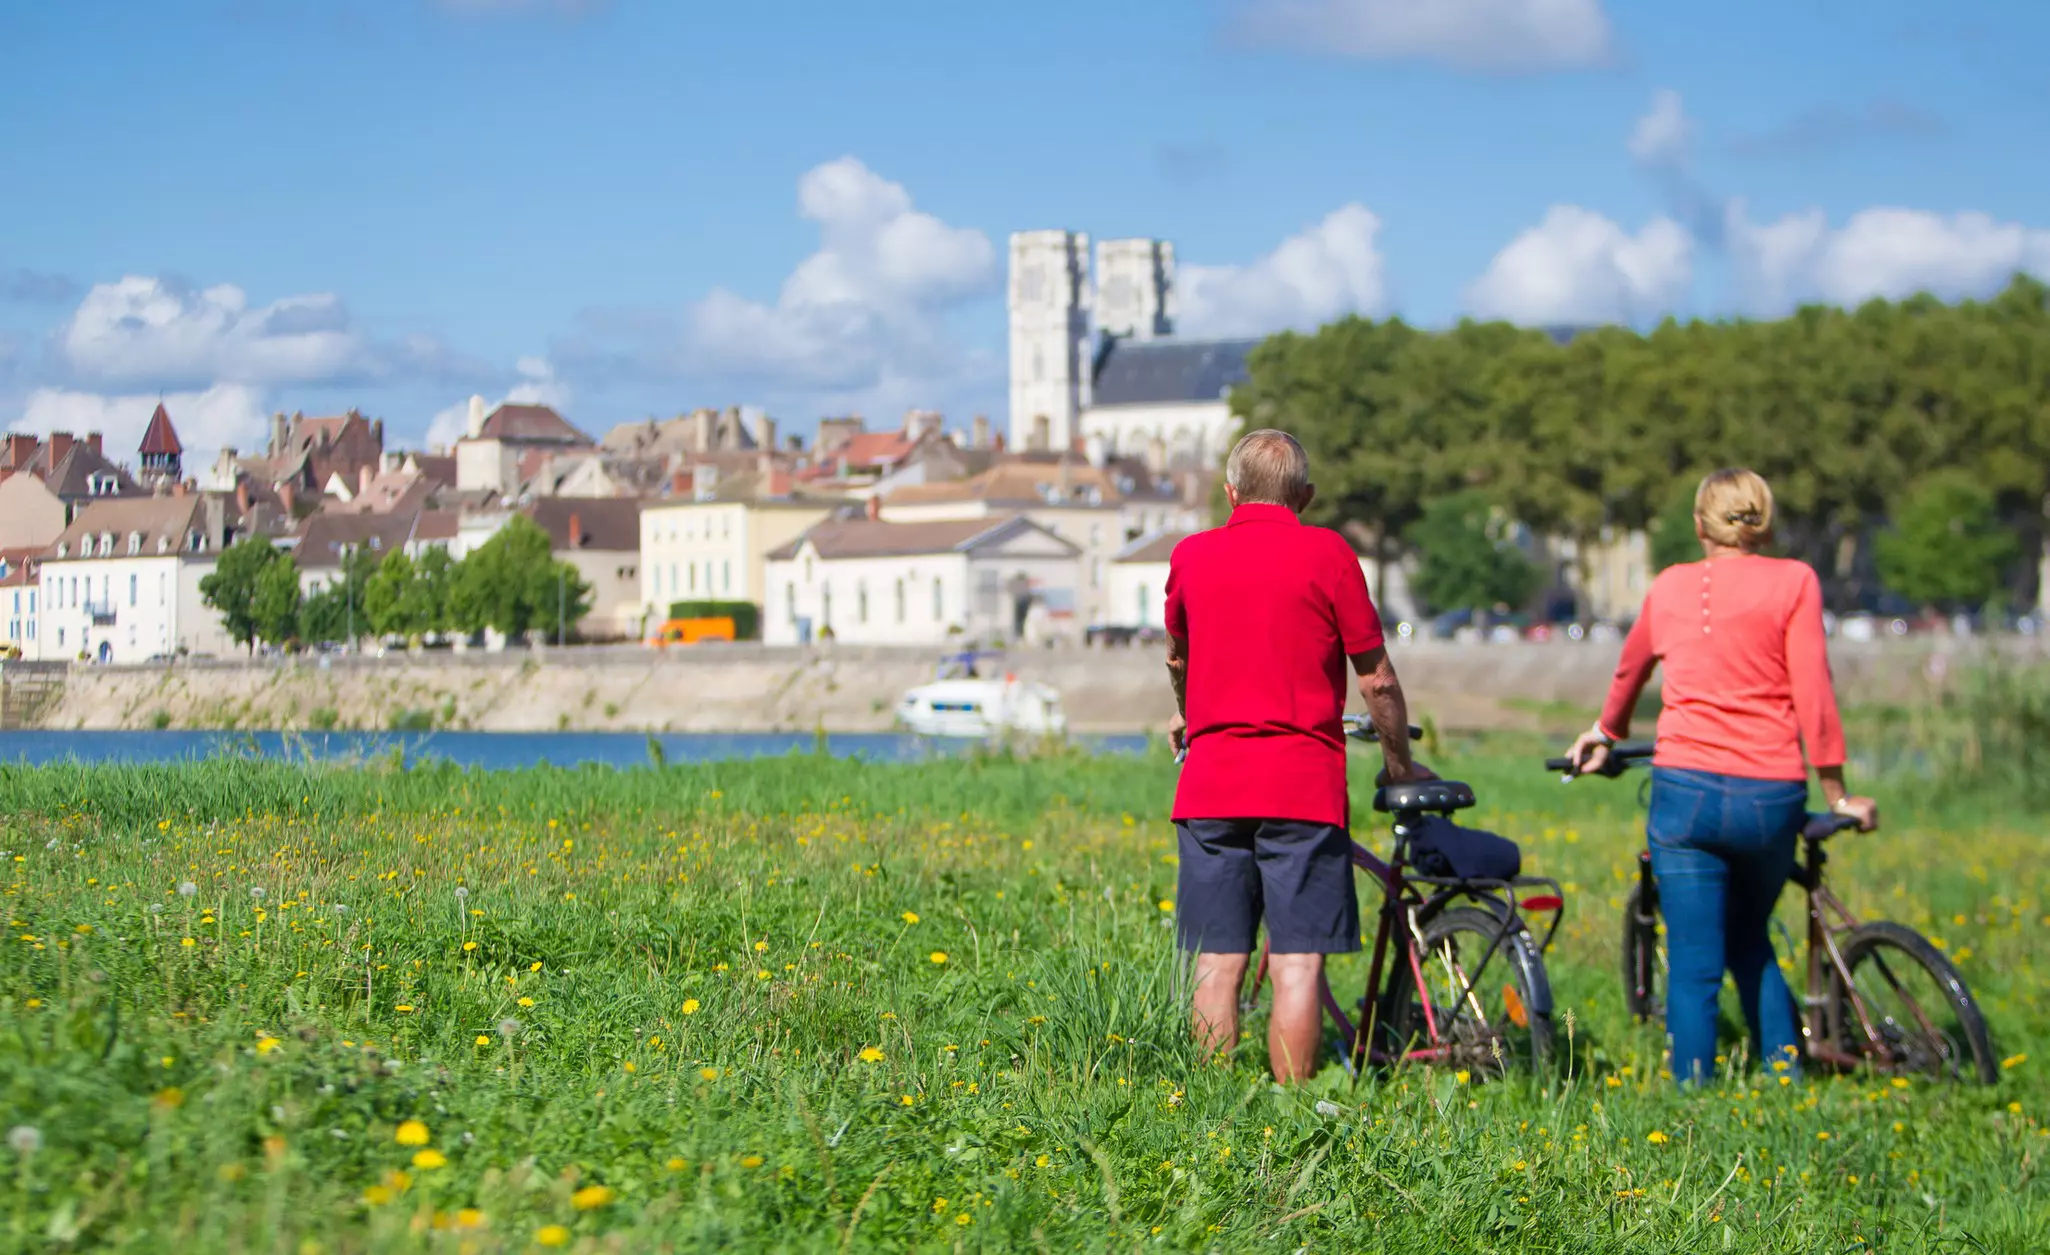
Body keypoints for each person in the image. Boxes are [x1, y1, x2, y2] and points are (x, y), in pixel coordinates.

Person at [1566, 468, 1879, 1086]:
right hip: (1771, 794)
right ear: (1763, 519)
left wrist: (1606, 734)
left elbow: (1630, 674)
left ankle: (1693, 1103)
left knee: (1693, 962)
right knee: (1749, 935)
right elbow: (1813, 693)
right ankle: (1786, 1079)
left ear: (1698, 525)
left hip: (1686, 794)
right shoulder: (1796, 581)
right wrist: (1837, 793)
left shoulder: (1670, 586)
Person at [1164, 429, 1423, 1083]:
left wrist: (1191, 714)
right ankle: (1297, 1113)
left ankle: (1211, 1116)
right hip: (1301, 788)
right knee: (1298, 961)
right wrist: (1399, 765)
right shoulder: (1328, 553)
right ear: (1304, 496)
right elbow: (1379, 681)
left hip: (1211, 785)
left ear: (1230, 493)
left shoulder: (1191, 555)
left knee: (1216, 960)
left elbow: (1178, 656)